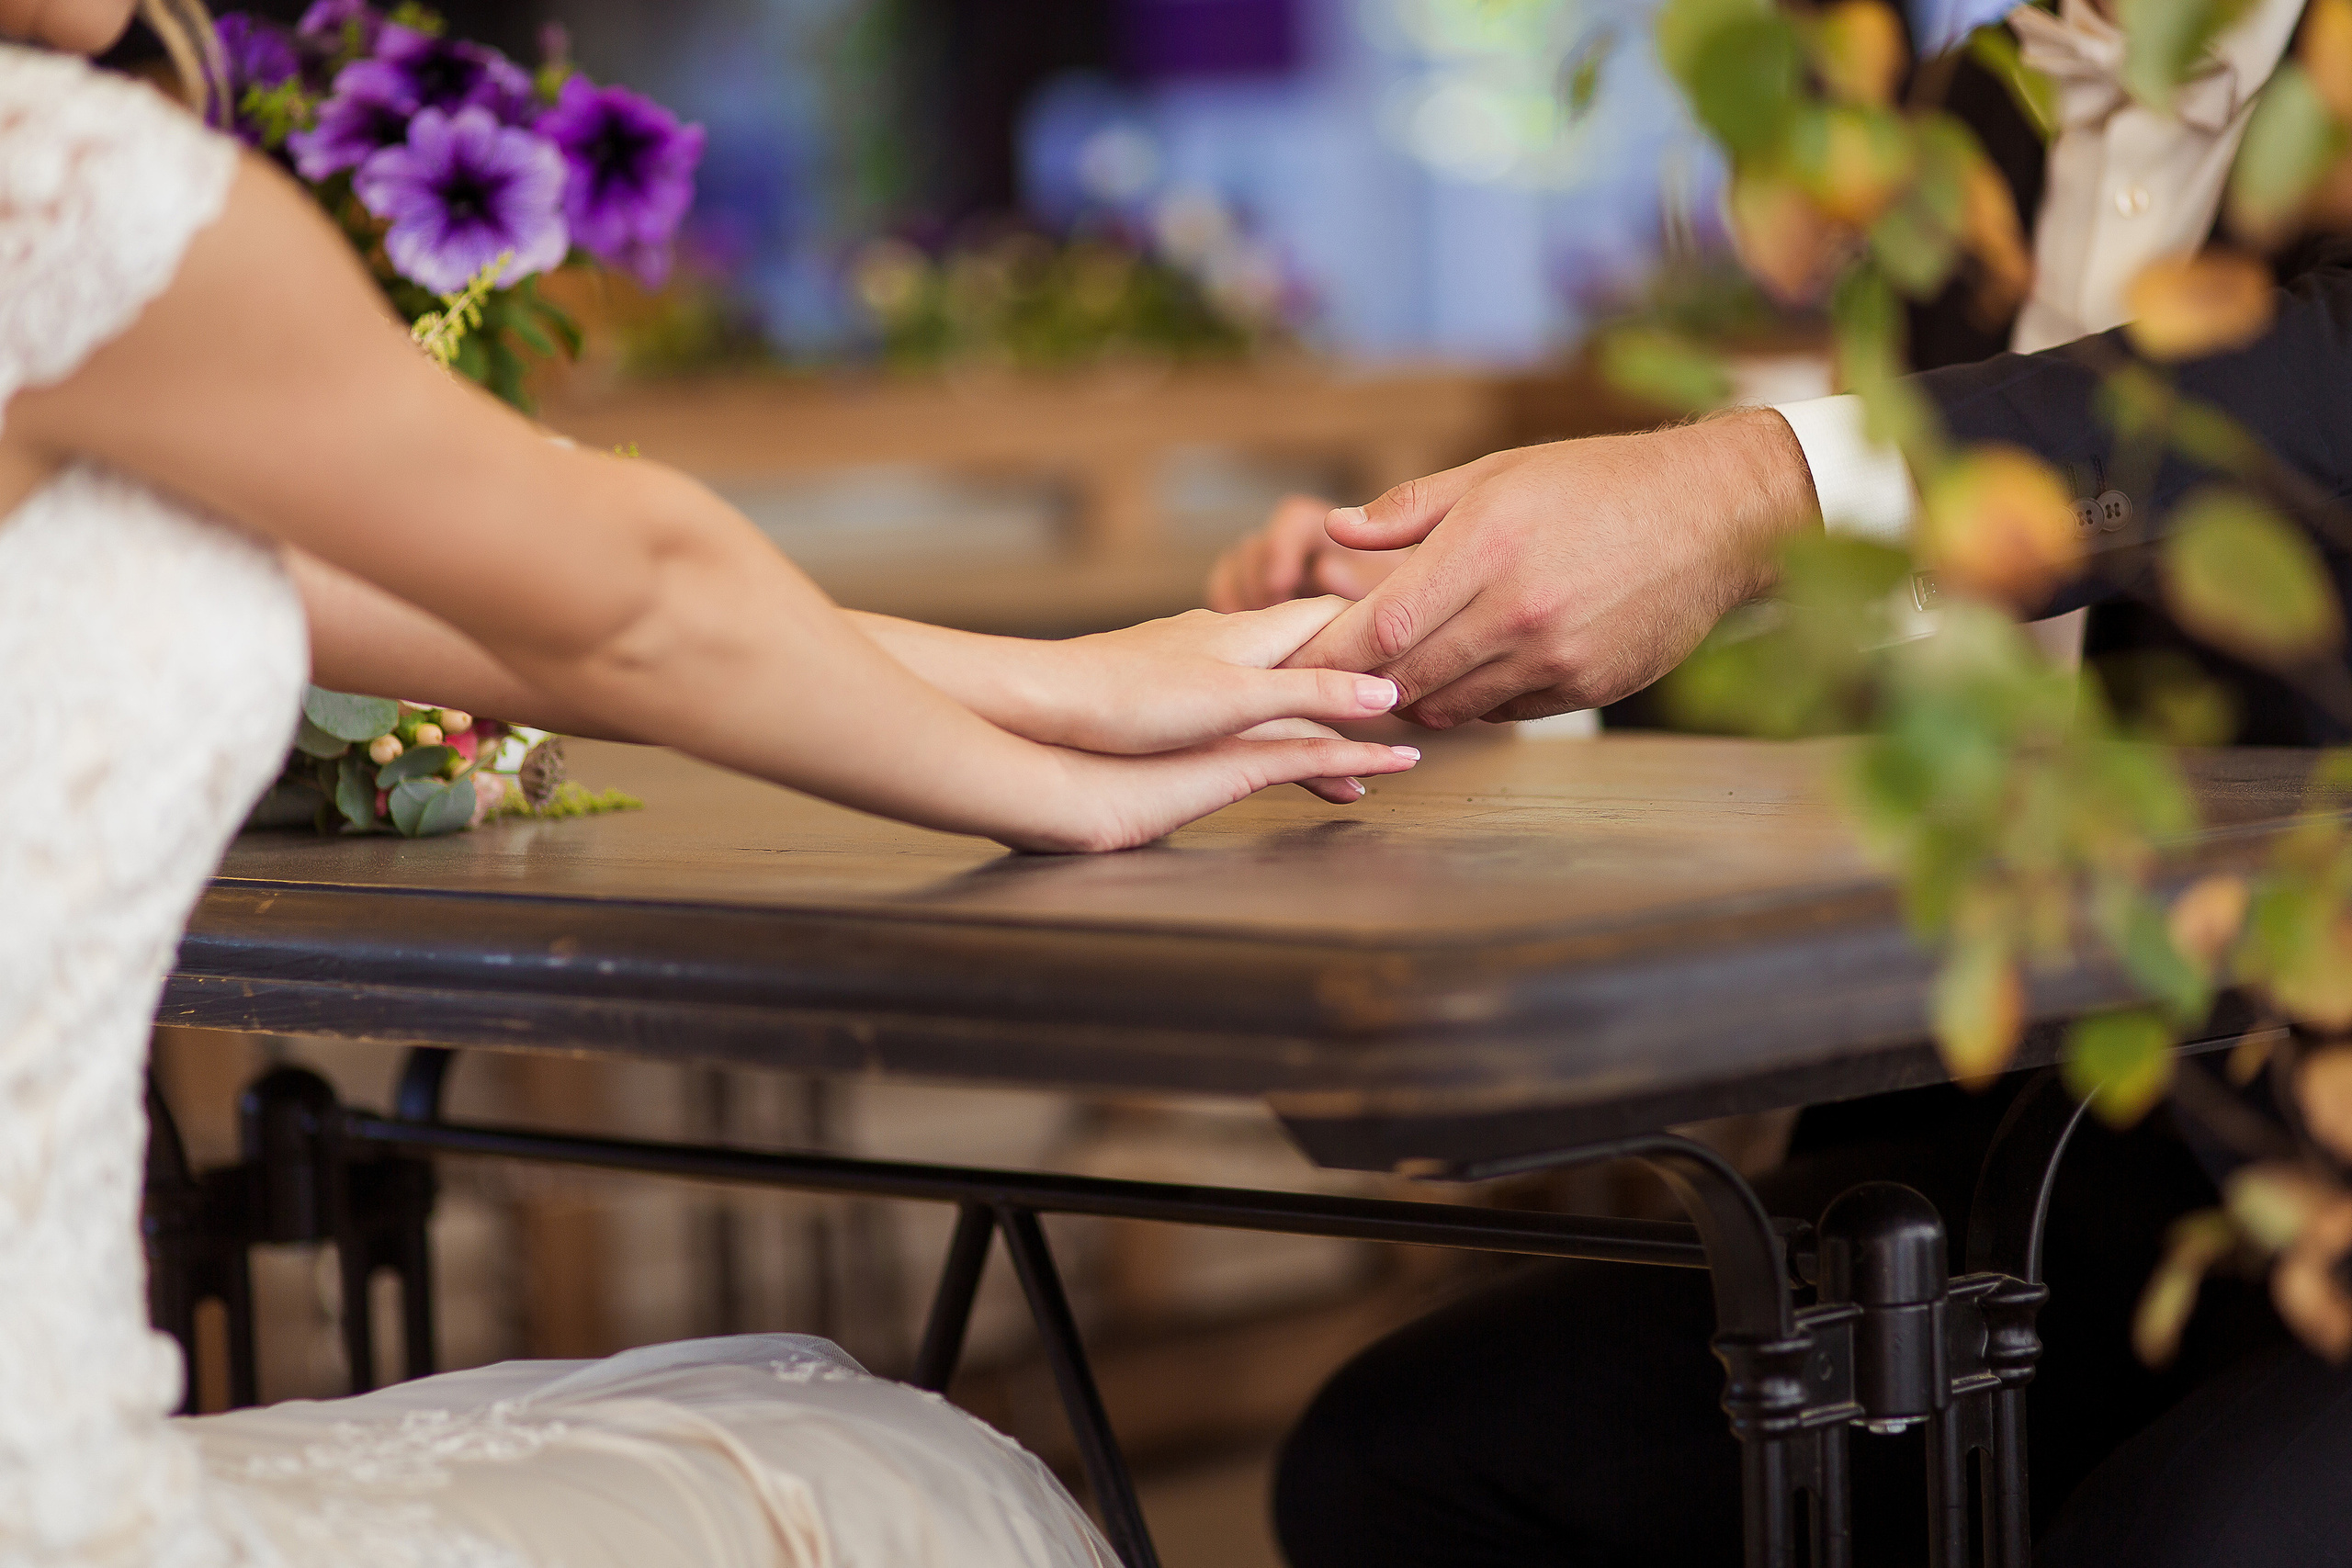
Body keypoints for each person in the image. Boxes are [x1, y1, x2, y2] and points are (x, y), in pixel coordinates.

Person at [0, 2, 1431, 1564]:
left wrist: (1068, 687)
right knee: (909, 1488)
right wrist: (1053, 785)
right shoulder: (72, 194)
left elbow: (449, 613)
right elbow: (631, 602)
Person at [1210, 0, 2352, 1561]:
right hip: (2066, 1143)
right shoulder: (1978, 112)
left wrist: (1755, 485)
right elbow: (1928, 635)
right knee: (1399, 1460)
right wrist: (1477, 662)